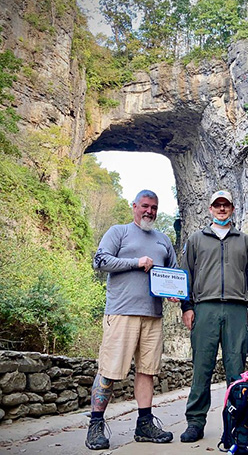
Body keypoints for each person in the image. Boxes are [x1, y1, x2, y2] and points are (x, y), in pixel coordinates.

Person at [85, 189, 178, 450]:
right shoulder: (119, 232)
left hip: (153, 316)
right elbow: (100, 260)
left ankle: (145, 424)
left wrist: (174, 294)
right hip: (121, 312)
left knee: (147, 371)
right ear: (134, 206)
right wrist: (136, 262)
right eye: (145, 206)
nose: (149, 211)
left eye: (154, 207)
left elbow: (172, 273)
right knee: (109, 370)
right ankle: (95, 425)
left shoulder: (163, 240)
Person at [180, 190, 248, 443]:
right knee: (201, 367)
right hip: (205, 309)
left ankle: (237, 423)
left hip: (238, 309)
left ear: (233, 209)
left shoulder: (244, 241)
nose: (222, 209)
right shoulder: (195, 240)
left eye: (226, 205)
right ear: (210, 209)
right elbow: (186, 276)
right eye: (217, 205)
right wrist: (187, 307)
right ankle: (195, 422)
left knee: (236, 369)